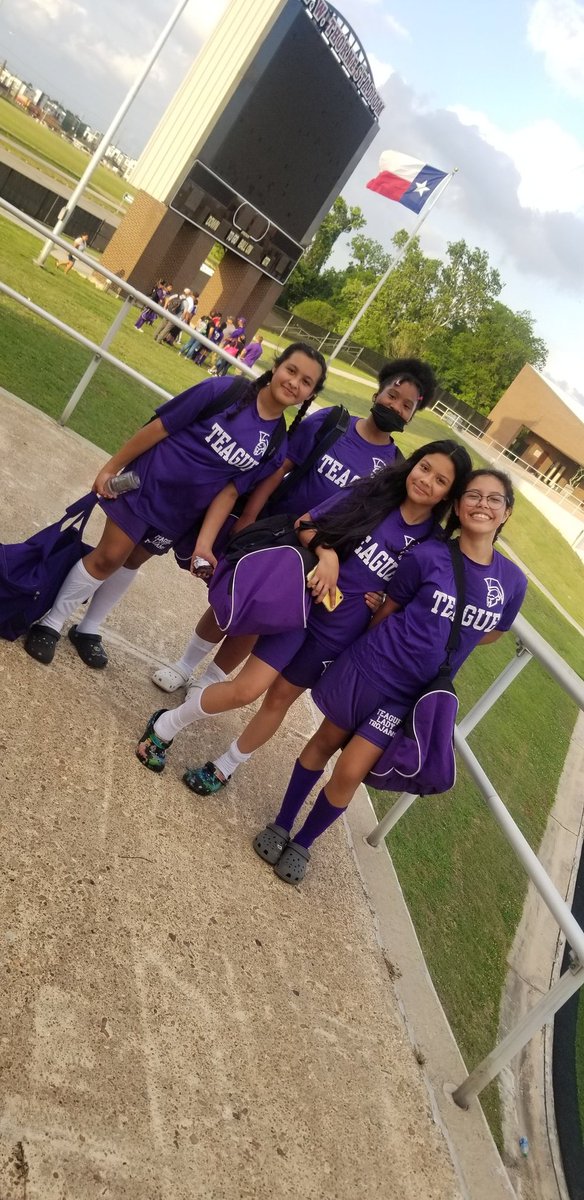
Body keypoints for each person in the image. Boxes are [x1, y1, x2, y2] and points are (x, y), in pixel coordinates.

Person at [251, 468, 528, 884]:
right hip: (372, 666)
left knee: (350, 771)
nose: (482, 505)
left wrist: (455, 636)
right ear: (457, 505)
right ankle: (282, 823)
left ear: (506, 513)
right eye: (473, 495)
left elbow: (495, 631)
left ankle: (304, 843)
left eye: (494, 499)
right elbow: (387, 610)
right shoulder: (428, 555)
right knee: (325, 742)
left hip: (410, 695)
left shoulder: (512, 581)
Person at [176, 440, 472, 797]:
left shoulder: (433, 546)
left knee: (279, 699)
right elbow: (305, 523)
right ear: (413, 464)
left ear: (447, 496)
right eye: (424, 467)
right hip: (299, 609)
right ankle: (167, 725)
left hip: (337, 635)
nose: (426, 481)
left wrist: (385, 603)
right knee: (247, 689)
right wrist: (327, 555)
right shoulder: (372, 491)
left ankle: (225, 767)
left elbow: (415, 603)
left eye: (441, 481)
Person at [23, 343, 326, 669]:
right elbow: (159, 426)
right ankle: (51, 622)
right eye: (291, 370)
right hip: (143, 485)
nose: (295, 383)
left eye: (306, 382)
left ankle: (88, 627)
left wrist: (204, 545)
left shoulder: (276, 444)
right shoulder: (225, 390)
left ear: (310, 394)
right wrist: (112, 467)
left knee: (131, 562)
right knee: (110, 556)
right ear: (277, 366)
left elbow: (228, 492)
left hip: (179, 514)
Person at [151, 358, 437, 695]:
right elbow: (279, 469)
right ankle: (184, 665)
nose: (396, 407)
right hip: (277, 531)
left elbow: (385, 528)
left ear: (412, 417)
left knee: (263, 619)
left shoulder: (395, 468)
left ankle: (210, 681)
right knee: (234, 598)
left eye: (406, 406)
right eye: (393, 395)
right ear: (378, 393)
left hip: (319, 557)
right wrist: (249, 516)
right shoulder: (332, 422)